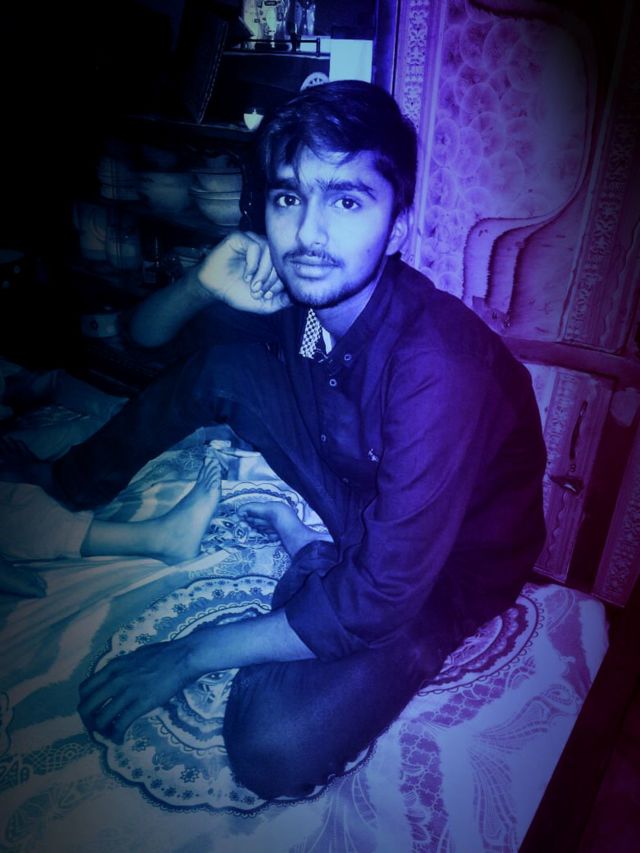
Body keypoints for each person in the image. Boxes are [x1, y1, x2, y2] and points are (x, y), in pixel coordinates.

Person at [5, 80, 547, 800]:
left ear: (397, 228)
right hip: (353, 480)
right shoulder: (302, 293)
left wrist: (189, 653)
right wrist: (201, 285)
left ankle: (315, 557)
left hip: (447, 565)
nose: (309, 235)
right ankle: (65, 481)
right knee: (224, 367)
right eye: (290, 197)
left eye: (347, 201)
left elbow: (383, 595)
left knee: (272, 747)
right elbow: (144, 340)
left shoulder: (439, 363)